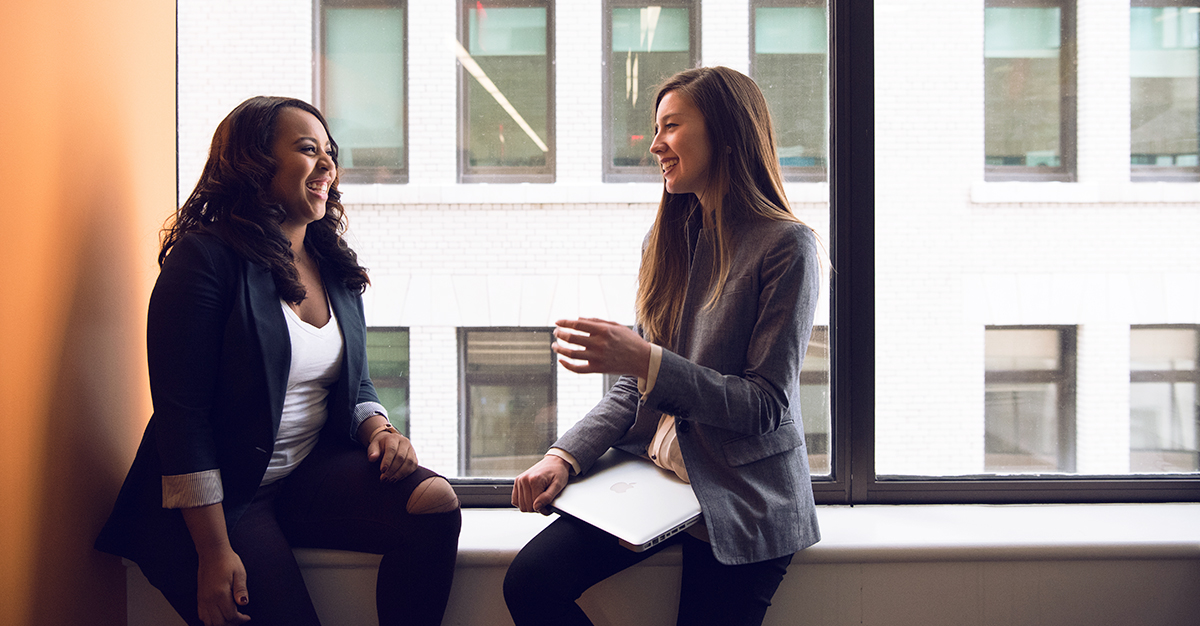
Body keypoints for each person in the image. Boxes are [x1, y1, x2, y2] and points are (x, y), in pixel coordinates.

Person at [95, 96, 461, 626]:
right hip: (219, 503)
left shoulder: (331, 262)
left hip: (301, 475)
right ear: (254, 163)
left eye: (330, 152)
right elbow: (183, 418)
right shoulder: (203, 259)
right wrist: (213, 554)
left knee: (433, 502)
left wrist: (379, 428)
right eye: (308, 149)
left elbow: (353, 383)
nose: (327, 165)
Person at [503, 66, 821, 626]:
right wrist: (565, 455)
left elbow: (765, 405)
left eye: (671, 126)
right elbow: (635, 385)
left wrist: (647, 361)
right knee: (530, 583)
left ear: (725, 134)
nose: (654, 145)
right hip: (661, 482)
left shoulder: (786, 246)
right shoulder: (670, 236)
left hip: (745, 494)